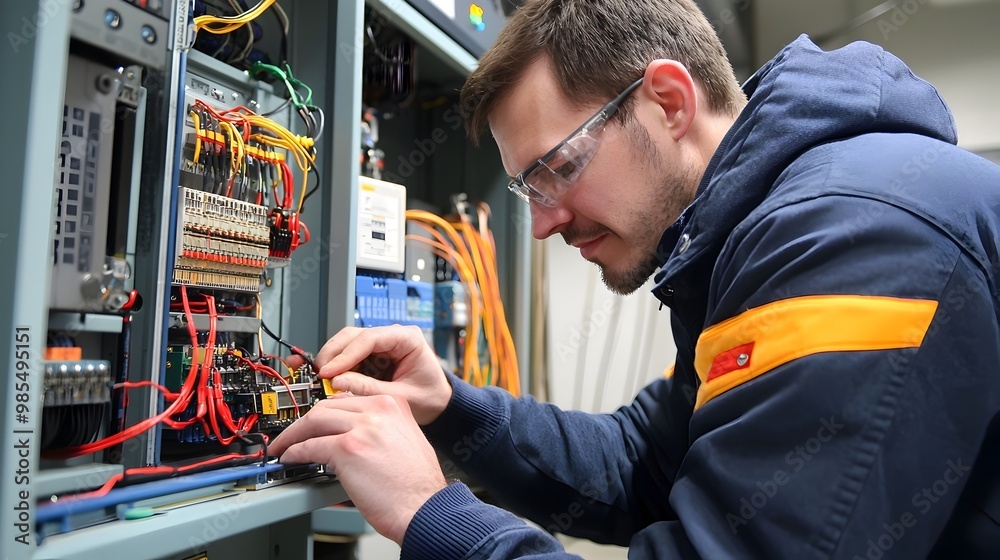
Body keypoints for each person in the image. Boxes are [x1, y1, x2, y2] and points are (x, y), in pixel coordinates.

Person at [271, 0, 1000, 557]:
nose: (543, 224)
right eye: (528, 189)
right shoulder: (750, 242)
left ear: (669, 103)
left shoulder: (851, 236)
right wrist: (453, 410)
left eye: (557, 168)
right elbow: (644, 464)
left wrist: (431, 514)